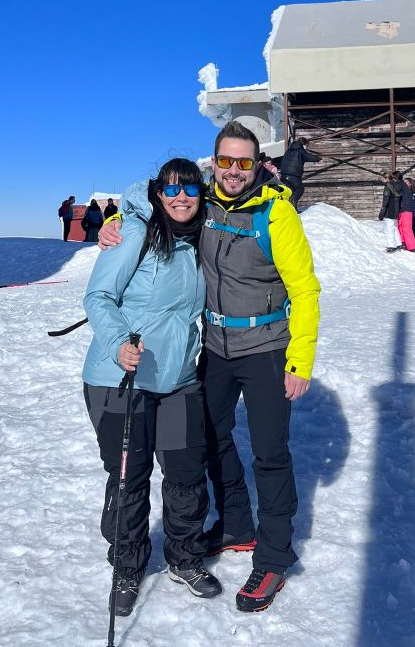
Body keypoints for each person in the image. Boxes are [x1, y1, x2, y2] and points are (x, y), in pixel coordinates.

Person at [100, 120, 321, 613]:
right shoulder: (204, 203)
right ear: (214, 163)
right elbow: (152, 193)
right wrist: (115, 218)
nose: (233, 171)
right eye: (225, 161)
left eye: (244, 162)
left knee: (269, 454)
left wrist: (300, 361)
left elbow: (306, 290)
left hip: (266, 348)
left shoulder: (277, 214)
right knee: (210, 438)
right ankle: (237, 525)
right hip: (216, 348)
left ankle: (274, 557)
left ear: (257, 165)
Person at [83, 158, 222, 618]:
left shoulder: (201, 238)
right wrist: (119, 344)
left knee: (185, 473)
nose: (181, 198)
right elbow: (98, 296)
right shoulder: (134, 233)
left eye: (191, 190)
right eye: (171, 189)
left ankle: (184, 558)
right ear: (157, 193)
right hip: (120, 379)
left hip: (178, 379)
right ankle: (126, 566)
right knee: (130, 477)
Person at [278, 137, 320, 206]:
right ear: (304, 144)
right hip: (293, 174)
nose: (306, 148)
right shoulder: (300, 150)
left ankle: (292, 208)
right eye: (306, 146)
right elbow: (308, 156)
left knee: (291, 191)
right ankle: (292, 200)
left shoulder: (289, 150)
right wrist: (318, 159)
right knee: (299, 189)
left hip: (284, 174)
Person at [391, 170, 415, 252]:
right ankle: (403, 243)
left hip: (406, 209)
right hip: (402, 209)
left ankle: (411, 247)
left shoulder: (401, 184)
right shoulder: (402, 185)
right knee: (400, 227)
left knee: (406, 228)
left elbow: (396, 194)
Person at [378, 172, 402, 252]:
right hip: (396, 209)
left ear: (387, 178)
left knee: (389, 228)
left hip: (390, 210)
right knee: (394, 227)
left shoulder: (388, 187)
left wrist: (382, 212)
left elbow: (386, 201)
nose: (381, 179)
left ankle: (391, 246)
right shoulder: (396, 185)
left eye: (383, 178)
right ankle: (398, 243)